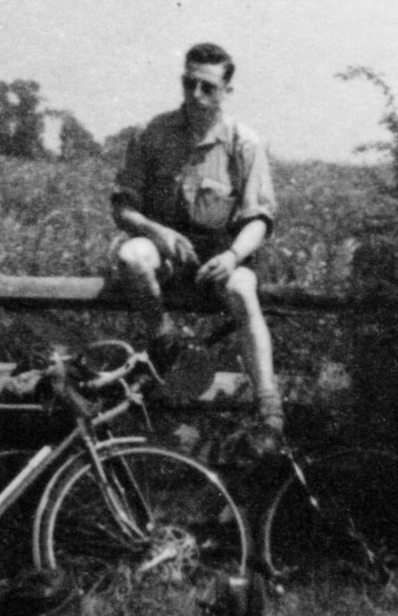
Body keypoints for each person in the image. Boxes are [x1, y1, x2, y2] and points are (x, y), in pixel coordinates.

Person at [107, 40, 284, 438]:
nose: (196, 94)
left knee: (241, 291)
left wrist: (233, 255)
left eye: (208, 87)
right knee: (132, 257)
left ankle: (268, 404)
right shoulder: (151, 133)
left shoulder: (244, 142)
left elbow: (260, 219)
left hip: (222, 251)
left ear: (227, 90)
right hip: (165, 249)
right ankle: (164, 342)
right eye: (189, 83)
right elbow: (123, 207)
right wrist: (156, 231)